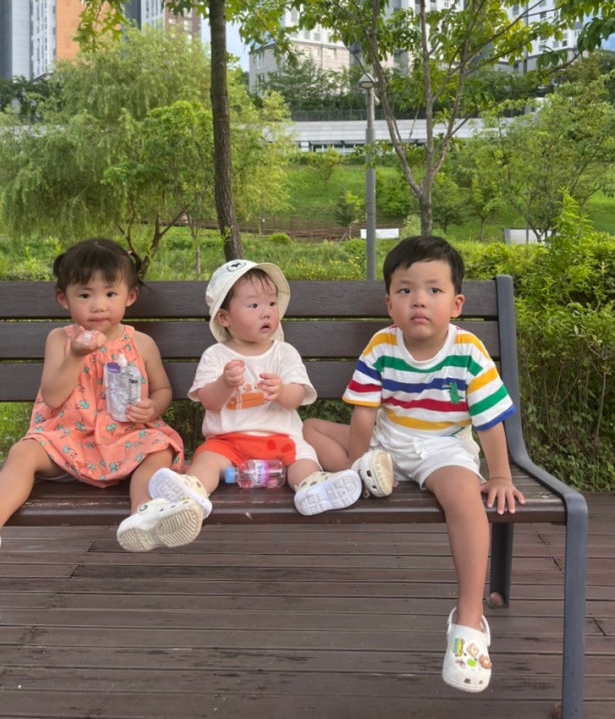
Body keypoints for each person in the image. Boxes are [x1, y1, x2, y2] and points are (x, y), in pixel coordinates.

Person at [303, 235, 525, 694]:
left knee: (464, 497)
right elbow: (363, 413)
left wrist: (500, 475)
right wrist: (357, 459)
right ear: (390, 304)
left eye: (433, 290)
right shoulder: (382, 345)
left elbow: (489, 422)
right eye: (405, 290)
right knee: (309, 428)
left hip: (442, 449)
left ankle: (468, 621)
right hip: (386, 444)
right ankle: (363, 475)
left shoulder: (468, 352)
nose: (418, 301)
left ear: (456, 304)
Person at [0, 238, 201, 560]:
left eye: (110, 294)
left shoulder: (142, 343)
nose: (98, 305)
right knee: (24, 451)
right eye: (85, 295)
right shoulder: (60, 340)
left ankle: (144, 514)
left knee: (160, 449)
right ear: (63, 298)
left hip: (126, 438)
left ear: (130, 296)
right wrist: (76, 356)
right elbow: (53, 398)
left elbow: (162, 390)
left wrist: (153, 407)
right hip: (68, 440)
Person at [117, 258, 390, 551]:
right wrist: (224, 384)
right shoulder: (216, 356)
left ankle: (313, 486)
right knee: (207, 459)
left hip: (280, 440)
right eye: (254, 305)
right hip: (228, 442)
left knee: (302, 460)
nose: (267, 312)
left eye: (271, 303)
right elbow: (208, 401)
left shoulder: (284, 353)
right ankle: (191, 492)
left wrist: (282, 391)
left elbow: (297, 397)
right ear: (224, 318)